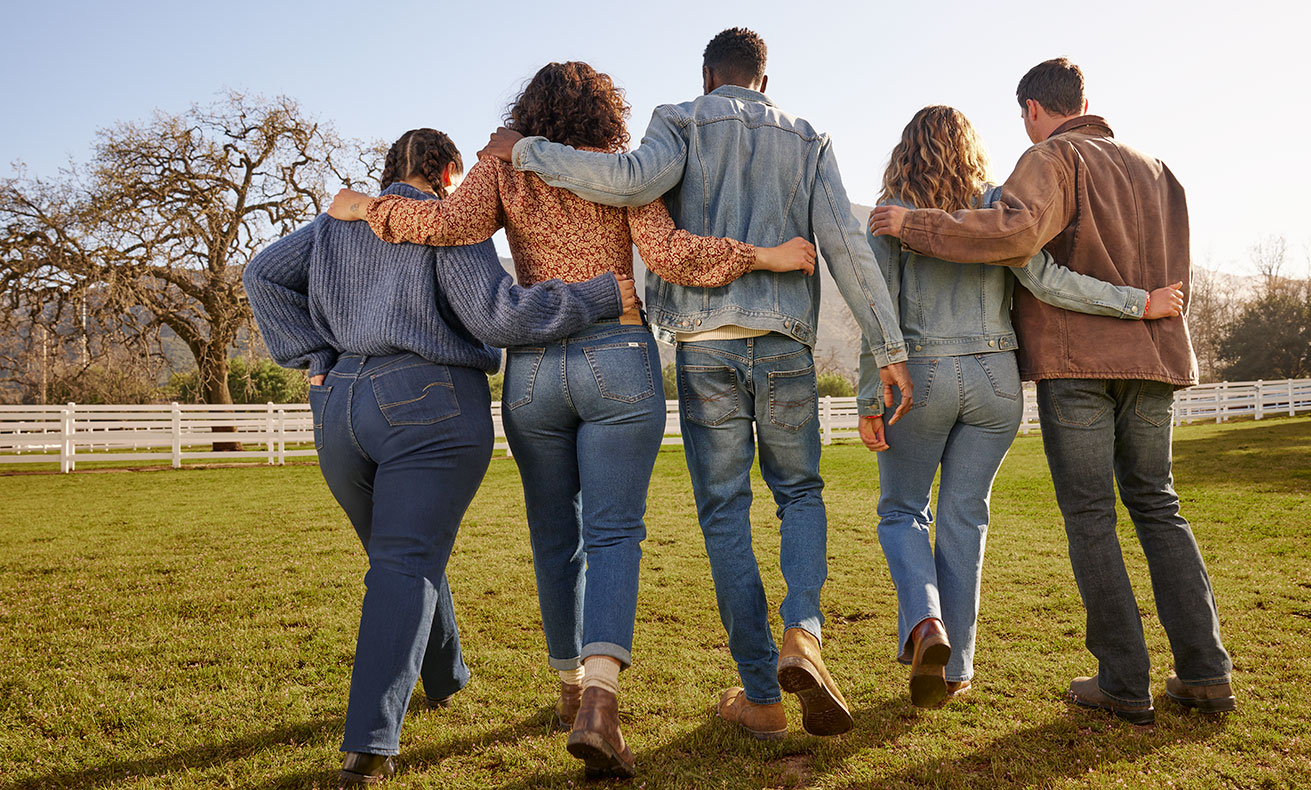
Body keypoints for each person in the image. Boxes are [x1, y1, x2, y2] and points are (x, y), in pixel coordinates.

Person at [326, 62, 817, 778]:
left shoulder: (502, 172)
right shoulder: (620, 172)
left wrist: (363, 208)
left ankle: (566, 687)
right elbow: (670, 256)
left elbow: (442, 224)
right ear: (604, 113)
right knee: (613, 532)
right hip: (616, 351)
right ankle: (599, 699)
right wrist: (764, 256)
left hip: (532, 371)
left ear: (526, 111)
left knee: (553, 535)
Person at [480, 27, 914, 740]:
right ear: (763, 82)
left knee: (724, 514)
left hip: (706, 349)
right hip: (783, 346)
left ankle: (759, 695)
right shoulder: (809, 140)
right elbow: (846, 245)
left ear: (707, 76)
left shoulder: (678, 119)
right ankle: (802, 629)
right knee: (799, 492)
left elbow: (626, 182)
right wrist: (886, 344)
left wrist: (523, 151)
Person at [244, 128, 637, 785]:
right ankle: (369, 744)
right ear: (450, 171)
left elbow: (261, 275)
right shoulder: (444, 223)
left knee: (402, 550)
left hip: (339, 408)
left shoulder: (333, 227)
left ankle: (446, 674)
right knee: (406, 561)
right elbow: (498, 317)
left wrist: (312, 352)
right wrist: (602, 295)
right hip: (425, 401)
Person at [870, 58, 1235, 725]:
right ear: (1085, 99)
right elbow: (1157, 267)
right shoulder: (1159, 169)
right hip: (1151, 354)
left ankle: (1122, 680)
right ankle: (1205, 673)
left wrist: (911, 227)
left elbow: (1010, 241)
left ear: (1032, 109)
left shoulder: (1047, 160)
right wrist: (1143, 305)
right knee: (1157, 507)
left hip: (1078, 364)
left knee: (1090, 516)